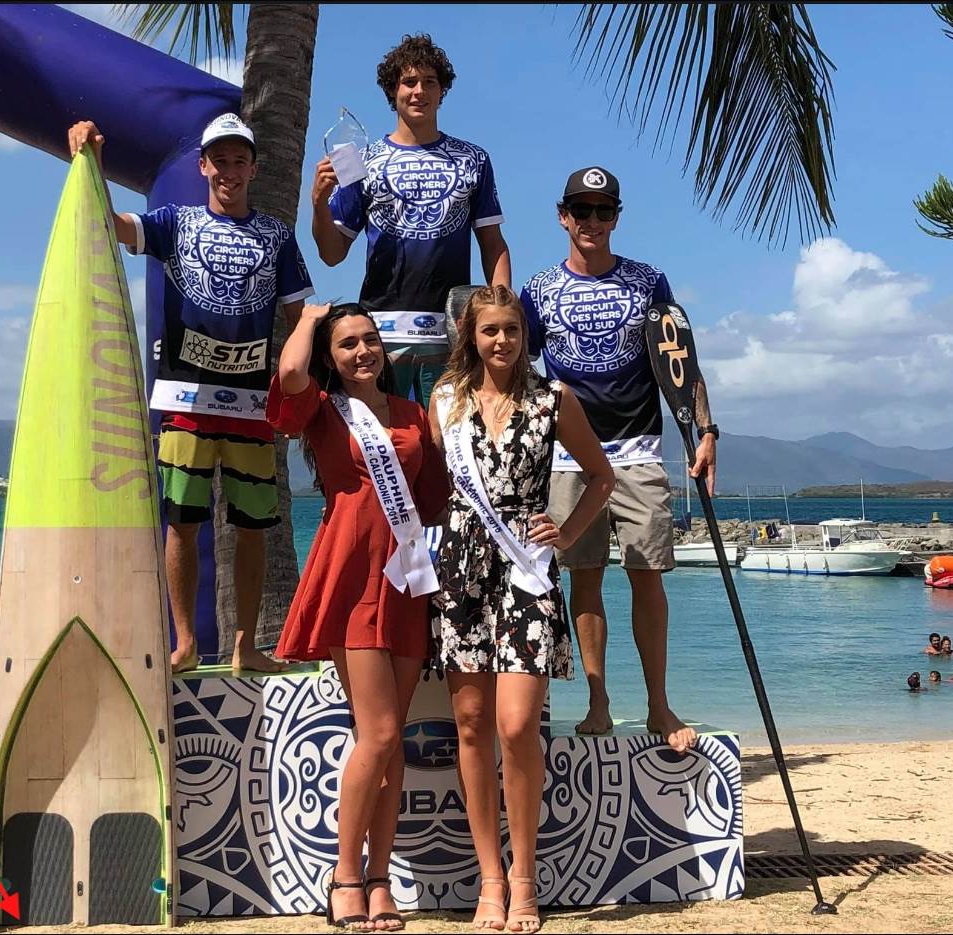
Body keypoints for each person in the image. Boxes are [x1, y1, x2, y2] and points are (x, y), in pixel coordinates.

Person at [68, 114, 314, 674]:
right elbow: (112, 225)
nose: (229, 171)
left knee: (254, 529)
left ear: (254, 169)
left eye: (239, 161)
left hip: (252, 406)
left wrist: (299, 390)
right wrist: (92, 161)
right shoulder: (175, 222)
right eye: (219, 160)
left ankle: (246, 645)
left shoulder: (277, 236)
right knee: (182, 523)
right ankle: (184, 643)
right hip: (183, 402)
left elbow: (299, 316)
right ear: (203, 166)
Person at [429, 285, 614, 933]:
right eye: (490, 330)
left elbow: (601, 476)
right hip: (461, 571)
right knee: (471, 723)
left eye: (511, 329)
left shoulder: (552, 398)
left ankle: (525, 877)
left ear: (524, 335)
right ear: (471, 336)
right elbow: (431, 487)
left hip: (526, 571)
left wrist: (565, 532)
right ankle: (489, 878)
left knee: (515, 726)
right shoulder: (446, 400)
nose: (501, 340)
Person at [520, 166, 717, 754]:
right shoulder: (539, 290)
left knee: (646, 574)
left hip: (638, 452)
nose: (592, 221)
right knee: (583, 576)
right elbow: (519, 369)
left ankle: (659, 703)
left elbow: (680, 362)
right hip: (567, 457)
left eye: (603, 211)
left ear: (617, 218)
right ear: (563, 217)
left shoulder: (648, 282)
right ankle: (598, 700)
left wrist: (706, 432)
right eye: (581, 210)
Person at [269, 302, 450, 931]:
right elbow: (290, 374)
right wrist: (308, 320)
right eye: (347, 344)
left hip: (406, 580)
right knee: (378, 733)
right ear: (332, 356)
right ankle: (344, 876)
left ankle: (379, 879)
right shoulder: (322, 409)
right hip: (351, 577)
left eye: (369, 340)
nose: (362, 351)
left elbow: (435, 500)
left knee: (391, 739)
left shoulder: (412, 414)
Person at [311, 33, 511, 406]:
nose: (419, 91)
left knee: (446, 440)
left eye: (430, 82)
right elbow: (332, 254)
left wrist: (501, 308)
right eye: (409, 81)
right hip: (380, 336)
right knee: (385, 437)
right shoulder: (357, 159)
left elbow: (493, 243)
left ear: (442, 90)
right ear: (393, 90)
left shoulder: (474, 158)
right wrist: (319, 203)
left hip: (451, 333)